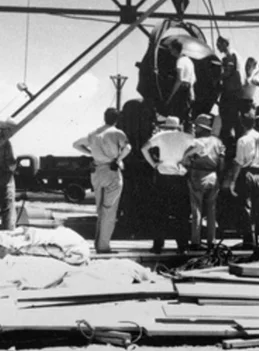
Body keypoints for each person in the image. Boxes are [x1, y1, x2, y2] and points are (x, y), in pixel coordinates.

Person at [73, 108, 132, 253]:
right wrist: (118, 159)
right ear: (117, 119)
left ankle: (98, 243)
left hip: (97, 171)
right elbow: (128, 148)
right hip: (111, 171)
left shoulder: (93, 134)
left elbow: (76, 144)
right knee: (109, 210)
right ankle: (103, 246)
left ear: (104, 117)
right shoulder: (117, 133)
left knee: (100, 209)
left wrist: (91, 154)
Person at [141, 115, 195, 253]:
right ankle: (182, 245)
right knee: (181, 213)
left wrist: (153, 163)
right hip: (178, 176)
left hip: (162, 175)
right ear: (178, 126)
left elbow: (144, 148)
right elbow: (200, 146)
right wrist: (185, 157)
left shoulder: (160, 135)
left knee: (160, 212)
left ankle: (158, 245)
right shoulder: (185, 136)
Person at [181, 114, 225, 250]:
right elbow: (222, 162)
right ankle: (212, 241)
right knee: (212, 210)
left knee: (197, 210)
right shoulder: (217, 142)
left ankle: (196, 241)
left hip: (197, 175)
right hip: (213, 175)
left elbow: (186, 160)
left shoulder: (195, 142)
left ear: (200, 128)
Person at [228, 112, 259, 249]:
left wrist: (233, 181)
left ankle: (248, 241)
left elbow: (239, 162)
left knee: (245, 207)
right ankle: (257, 238)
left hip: (247, 174)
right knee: (258, 207)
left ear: (242, 123)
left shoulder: (243, 140)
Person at [216, 36, 242, 149]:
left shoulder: (230, 55)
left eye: (219, 45)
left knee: (228, 119)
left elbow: (229, 71)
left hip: (231, 92)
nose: (217, 47)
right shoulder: (231, 55)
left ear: (225, 44)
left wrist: (217, 78)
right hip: (232, 92)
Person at [165, 39, 196, 130]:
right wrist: (192, 92)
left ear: (175, 49)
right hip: (189, 89)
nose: (170, 52)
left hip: (182, 89)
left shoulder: (180, 61)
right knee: (186, 117)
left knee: (177, 117)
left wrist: (171, 96)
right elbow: (194, 79)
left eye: (171, 49)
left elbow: (179, 79)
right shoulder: (189, 61)